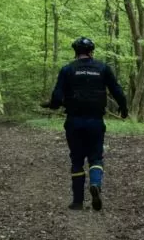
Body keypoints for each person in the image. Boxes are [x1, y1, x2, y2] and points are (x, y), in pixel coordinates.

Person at [43, 36, 128, 211]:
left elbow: (57, 97)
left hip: (74, 121)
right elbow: (117, 90)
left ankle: (78, 202)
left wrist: (53, 105)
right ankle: (95, 184)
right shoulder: (103, 68)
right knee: (96, 157)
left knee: (76, 159)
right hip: (96, 121)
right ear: (91, 52)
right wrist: (123, 107)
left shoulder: (67, 70)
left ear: (76, 52)